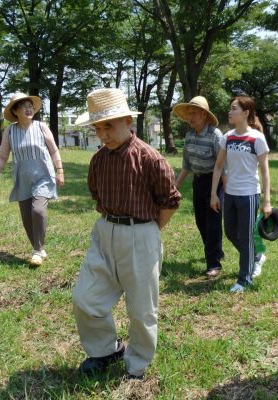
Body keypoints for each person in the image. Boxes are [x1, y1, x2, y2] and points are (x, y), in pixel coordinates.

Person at [72, 88, 181, 380]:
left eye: (108, 125)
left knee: (142, 309)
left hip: (141, 233)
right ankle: (105, 349)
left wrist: (148, 232)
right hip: (105, 232)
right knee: (86, 298)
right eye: (97, 128)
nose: (103, 134)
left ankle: (137, 365)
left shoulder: (149, 158)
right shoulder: (98, 160)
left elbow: (170, 201)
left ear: (128, 120)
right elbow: (97, 195)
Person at [0, 93, 64, 267]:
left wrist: (60, 170)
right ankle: (39, 248)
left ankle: (37, 251)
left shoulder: (41, 127)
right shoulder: (10, 131)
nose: (29, 109)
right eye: (24, 106)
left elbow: (54, 150)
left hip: (43, 176)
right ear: (15, 111)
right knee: (27, 217)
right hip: (22, 179)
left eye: (31, 106)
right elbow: (2, 157)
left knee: (38, 211)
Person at [210, 95, 272, 293]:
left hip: (249, 194)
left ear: (245, 113)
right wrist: (214, 193)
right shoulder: (227, 137)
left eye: (234, 108)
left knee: (246, 236)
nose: (230, 111)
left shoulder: (257, 138)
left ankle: (244, 279)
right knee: (230, 232)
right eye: (230, 108)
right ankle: (256, 256)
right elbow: (218, 167)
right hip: (230, 194)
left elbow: (265, 171)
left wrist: (267, 199)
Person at [172, 96, 225, 278]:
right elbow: (187, 165)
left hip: (215, 183)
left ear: (203, 114)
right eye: (188, 113)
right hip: (198, 182)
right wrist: (176, 185)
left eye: (194, 113)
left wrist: (216, 193)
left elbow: (222, 167)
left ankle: (214, 263)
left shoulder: (215, 136)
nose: (190, 117)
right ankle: (215, 252)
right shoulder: (189, 136)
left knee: (213, 225)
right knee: (201, 222)